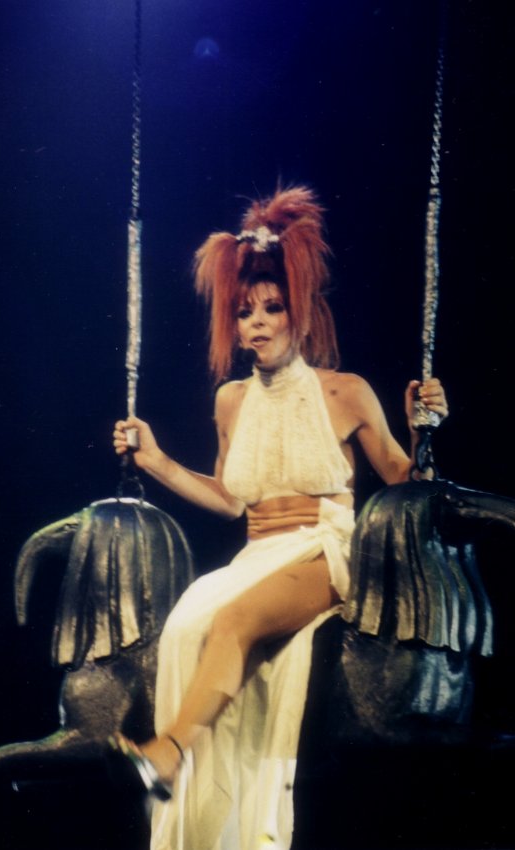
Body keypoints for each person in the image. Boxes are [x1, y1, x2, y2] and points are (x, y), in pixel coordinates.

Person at [112, 186, 448, 850]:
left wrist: (423, 431)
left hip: (327, 548)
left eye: (272, 308)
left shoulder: (345, 391)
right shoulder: (231, 401)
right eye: (245, 313)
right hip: (255, 555)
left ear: (301, 313)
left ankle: (169, 753)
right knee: (184, 627)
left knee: (234, 621)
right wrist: (156, 462)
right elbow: (232, 499)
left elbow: (407, 484)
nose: (257, 323)